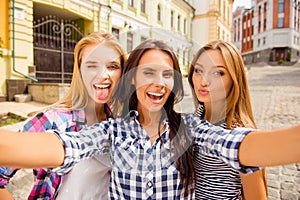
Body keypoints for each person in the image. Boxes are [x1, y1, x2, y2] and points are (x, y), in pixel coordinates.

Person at [0, 39, 300, 199]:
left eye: (166, 74)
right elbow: (62, 148)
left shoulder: (191, 128)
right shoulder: (111, 130)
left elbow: (244, 146)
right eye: (147, 72)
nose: (157, 82)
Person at [0, 32, 127, 199]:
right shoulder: (54, 119)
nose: (103, 75)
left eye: (112, 66)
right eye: (91, 65)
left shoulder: (118, 122)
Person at [188, 40, 267, 199]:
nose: (203, 81)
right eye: (199, 70)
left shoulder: (241, 133)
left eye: (217, 73)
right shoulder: (196, 117)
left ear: (234, 78)